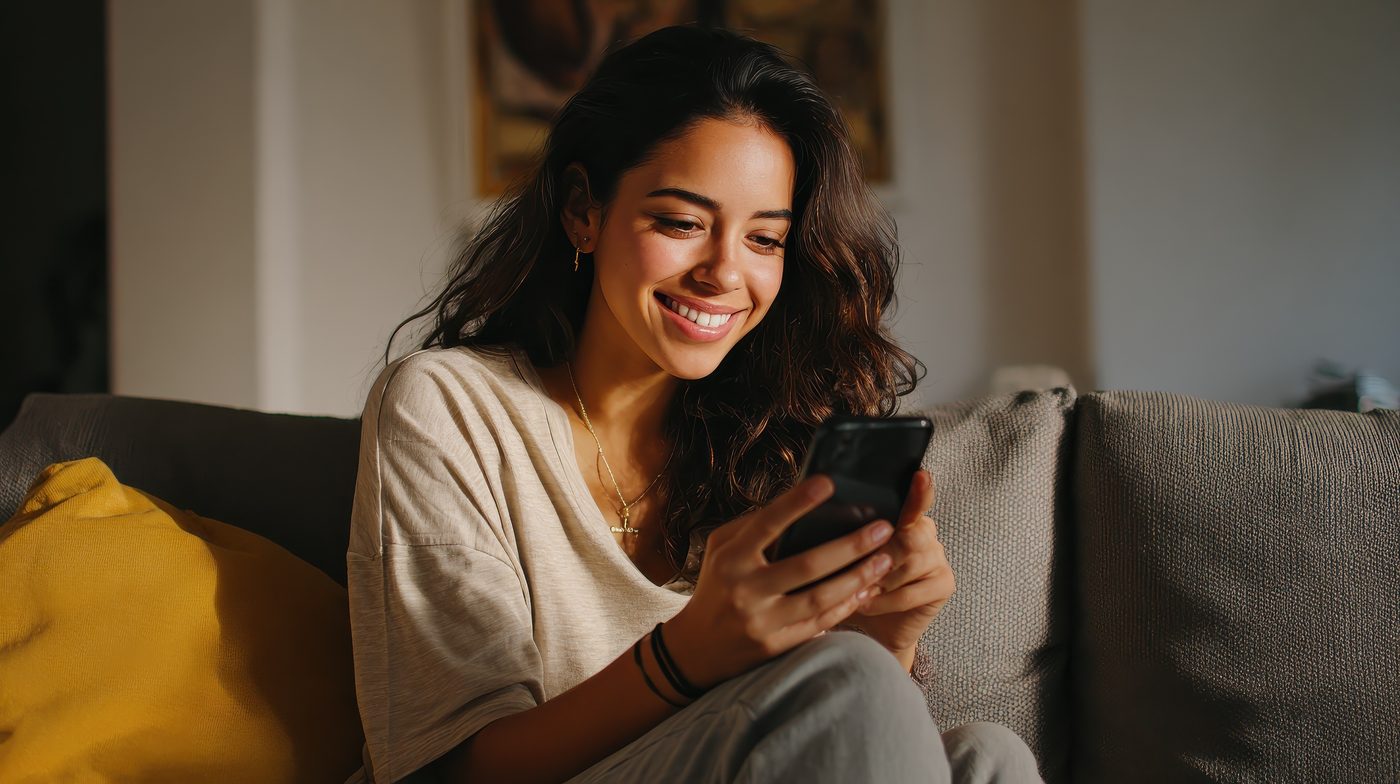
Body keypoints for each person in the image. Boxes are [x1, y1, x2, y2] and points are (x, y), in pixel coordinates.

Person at [345, 25, 1042, 784]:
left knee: (988, 757)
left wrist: (885, 636)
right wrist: (682, 658)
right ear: (584, 210)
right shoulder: (449, 407)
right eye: (681, 223)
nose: (723, 273)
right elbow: (439, 773)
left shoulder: (778, 438)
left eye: (765, 240)